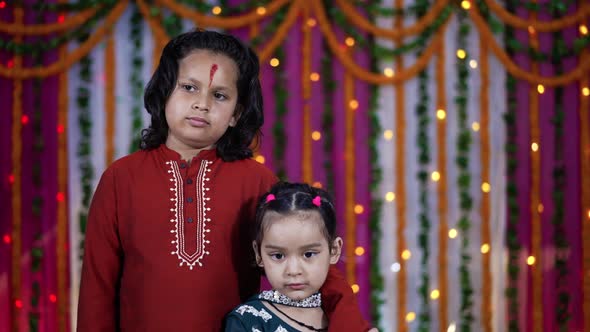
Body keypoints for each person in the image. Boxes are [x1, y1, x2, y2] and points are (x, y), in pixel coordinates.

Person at [77, 30, 371, 331]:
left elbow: (307, 250)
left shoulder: (256, 181)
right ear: (165, 92)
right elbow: (97, 289)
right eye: (189, 88)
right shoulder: (120, 178)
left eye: (219, 95)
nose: (202, 104)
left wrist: (353, 325)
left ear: (235, 113)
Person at [225, 182, 371, 331]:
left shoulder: (344, 316)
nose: (293, 270)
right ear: (258, 254)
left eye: (308, 254)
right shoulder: (249, 320)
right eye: (278, 255)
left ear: (334, 250)